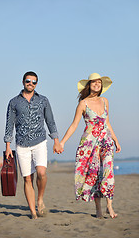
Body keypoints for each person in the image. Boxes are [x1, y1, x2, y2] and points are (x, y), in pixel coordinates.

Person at [59, 73, 121, 219]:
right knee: (94, 175)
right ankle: (98, 209)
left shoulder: (105, 101)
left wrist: (116, 140)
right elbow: (74, 125)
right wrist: (62, 142)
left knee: (108, 173)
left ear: (101, 86)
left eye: (99, 82)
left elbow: (107, 123)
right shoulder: (83, 103)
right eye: (94, 82)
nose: (97, 84)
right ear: (89, 85)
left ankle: (109, 207)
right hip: (89, 144)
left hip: (105, 141)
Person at [4, 71, 62, 219]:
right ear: (23, 82)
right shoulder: (13, 102)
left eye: (34, 82)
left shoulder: (43, 100)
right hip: (22, 144)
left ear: (37, 83)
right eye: (28, 81)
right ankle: (33, 213)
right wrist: (8, 146)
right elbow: (9, 124)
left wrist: (56, 140)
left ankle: (40, 199)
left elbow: (50, 121)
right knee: (27, 179)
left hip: (40, 142)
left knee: (41, 173)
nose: (31, 84)